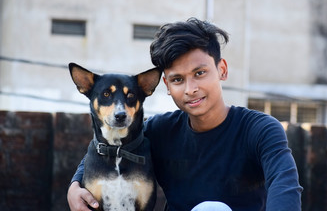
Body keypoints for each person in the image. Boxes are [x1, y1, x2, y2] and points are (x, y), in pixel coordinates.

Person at [67, 18, 302, 211]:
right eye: (178, 79)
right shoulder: (158, 131)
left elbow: (285, 185)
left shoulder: (259, 129)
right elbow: (108, 146)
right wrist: (75, 185)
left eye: (199, 73)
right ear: (167, 86)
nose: (190, 89)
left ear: (222, 70)